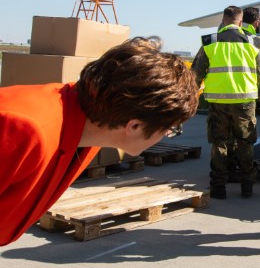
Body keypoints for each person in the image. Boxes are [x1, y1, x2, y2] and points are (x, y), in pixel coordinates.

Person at [0, 37, 198, 246]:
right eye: (170, 129)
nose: (168, 134)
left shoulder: (92, 124)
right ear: (134, 126)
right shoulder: (22, 130)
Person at [191, 6, 260, 200]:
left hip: (218, 102)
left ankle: (218, 187)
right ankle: (247, 187)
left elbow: (196, 74)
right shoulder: (253, 42)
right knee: (246, 143)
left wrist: (190, 97)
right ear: (241, 22)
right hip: (245, 102)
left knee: (219, 143)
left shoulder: (210, 42)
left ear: (223, 21)